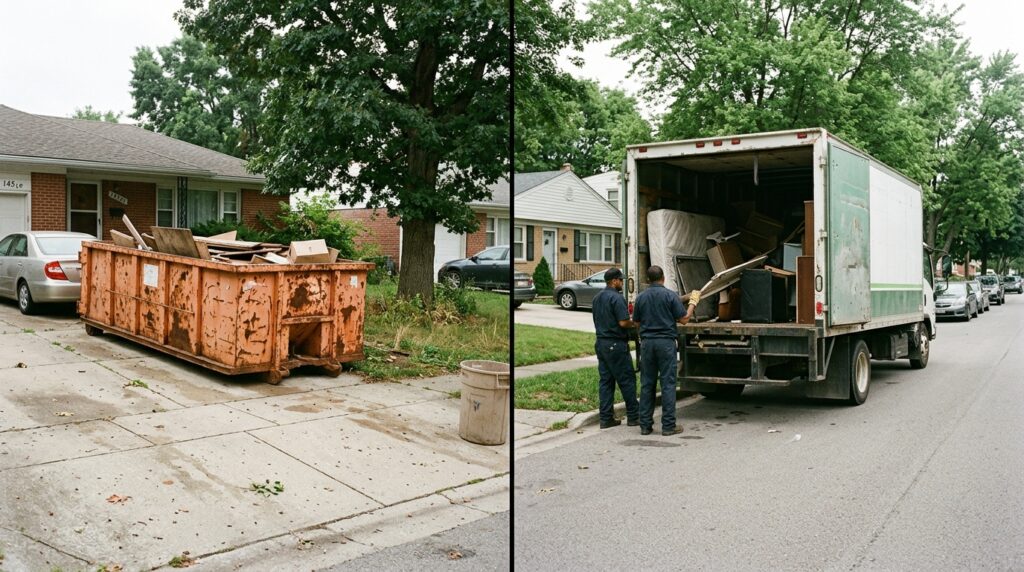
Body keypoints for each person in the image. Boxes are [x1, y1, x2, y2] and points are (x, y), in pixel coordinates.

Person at [631, 265, 699, 436]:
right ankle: (668, 426)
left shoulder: (640, 298)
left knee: (647, 384)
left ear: (648, 280)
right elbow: (684, 319)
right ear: (663, 278)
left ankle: (645, 425)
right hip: (666, 344)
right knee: (668, 384)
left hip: (647, 344)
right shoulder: (670, 295)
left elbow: (636, 323)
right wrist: (693, 303)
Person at [590, 268, 640, 429]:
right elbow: (623, 322)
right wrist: (635, 323)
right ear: (614, 281)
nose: (622, 283)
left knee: (606, 381)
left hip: (601, 343)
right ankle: (633, 416)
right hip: (616, 344)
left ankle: (606, 418)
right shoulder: (616, 298)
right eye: (620, 280)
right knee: (627, 380)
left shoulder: (597, 298)